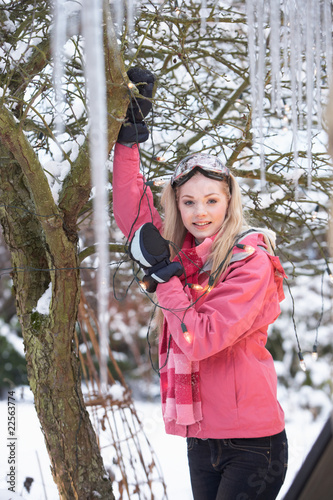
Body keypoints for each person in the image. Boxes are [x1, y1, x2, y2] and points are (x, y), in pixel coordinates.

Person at [112, 68, 288, 500]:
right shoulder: (184, 260)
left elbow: (201, 338)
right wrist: (128, 142)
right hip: (201, 439)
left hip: (253, 445)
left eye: (212, 200)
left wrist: (164, 279)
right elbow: (133, 215)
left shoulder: (249, 258)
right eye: (188, 201)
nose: (200, 212)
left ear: (229, 202)